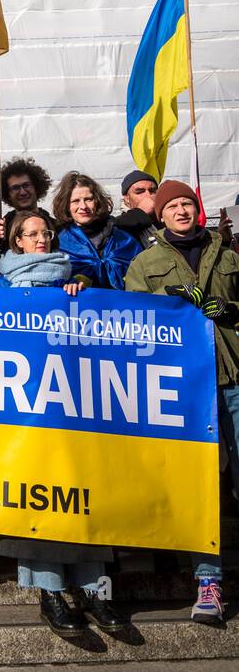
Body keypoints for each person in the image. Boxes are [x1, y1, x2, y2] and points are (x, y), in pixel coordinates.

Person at [0, 212, 126, 636]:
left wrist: (82, 294)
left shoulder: (75, 280)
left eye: (45, 233)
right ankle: (50, 594)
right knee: (37, 503)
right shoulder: (2, 287)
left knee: (84, 495)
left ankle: (95, 591)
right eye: (31, 234)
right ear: (15, 242)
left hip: (74, 409)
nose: (41, 239)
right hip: (26, 413)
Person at [125, 180, 239, 625]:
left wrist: (225, 310)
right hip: (184, 389)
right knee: (199, 487)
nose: (181, 211)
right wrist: (168, 308)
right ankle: (208, 583)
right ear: (159, 215)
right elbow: (135, 324)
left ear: (198, 209)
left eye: (187, 204)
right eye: (171, 206)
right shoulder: (145, 263)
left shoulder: (227, 253)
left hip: (232, 378)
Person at [53, 172, 141, 289]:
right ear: (66, 206)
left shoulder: (123, 238)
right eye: (75, 201)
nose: (83, 206)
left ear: (97, 201)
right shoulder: (60, 244)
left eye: (88, 199)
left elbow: (142, 274)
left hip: (124, 306)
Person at [0, 159, 52, 263]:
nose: (22, 192)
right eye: (15, 188)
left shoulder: (55, 226)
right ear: (7, 194)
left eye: (26, 185)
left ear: (36, 187)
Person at [114, 170, 160, 249]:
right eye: (140, 192)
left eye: (152, 191)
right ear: (127, 198)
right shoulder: (120, 225)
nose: (148, 195)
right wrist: (141, 213)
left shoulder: (166, 221)